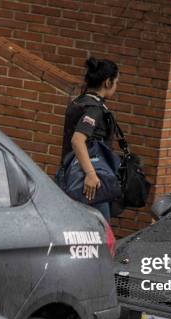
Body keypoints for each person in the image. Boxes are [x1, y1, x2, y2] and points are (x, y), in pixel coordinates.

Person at [61, 57, 119, 220]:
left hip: (69, 176)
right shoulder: (94, 108)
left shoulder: (79, 102)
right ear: (108, 82)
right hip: (88, 183)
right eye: (116, 82)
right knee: (100, 235)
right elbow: (77, 140)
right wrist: (91, 174)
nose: (116, 86)